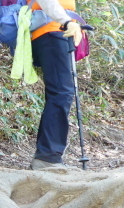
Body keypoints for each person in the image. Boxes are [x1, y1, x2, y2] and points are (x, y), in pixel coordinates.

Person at [27, 0, 84, 170]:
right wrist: (66, 21)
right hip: (52, 32)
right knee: (61, 92)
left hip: (55, 32)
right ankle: (47, 157)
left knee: (60, 92)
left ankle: (48, 155)